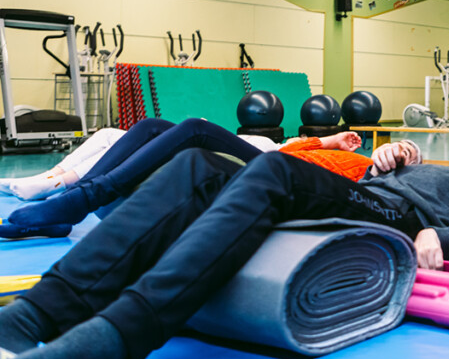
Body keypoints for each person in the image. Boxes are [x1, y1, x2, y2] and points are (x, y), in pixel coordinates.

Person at [0, 141, 449, 359]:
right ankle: (32, 317)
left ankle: (98, 349)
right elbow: (363, 186)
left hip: (394, 220)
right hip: (363, 192)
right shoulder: (445, 170)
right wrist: (385, 163)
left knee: (280, 174)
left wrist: (440, 236)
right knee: (194, 164)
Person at [0, 118, 379, 238]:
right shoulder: (351, 156)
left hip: (279, 176)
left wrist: (385, 160)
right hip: (275, 160)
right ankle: (72, 205)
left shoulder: (366, 176)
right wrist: (328, 140)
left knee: (197, 129)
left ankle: (79, 201)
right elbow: (291, 151)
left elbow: (310, 178)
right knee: (151, 127)